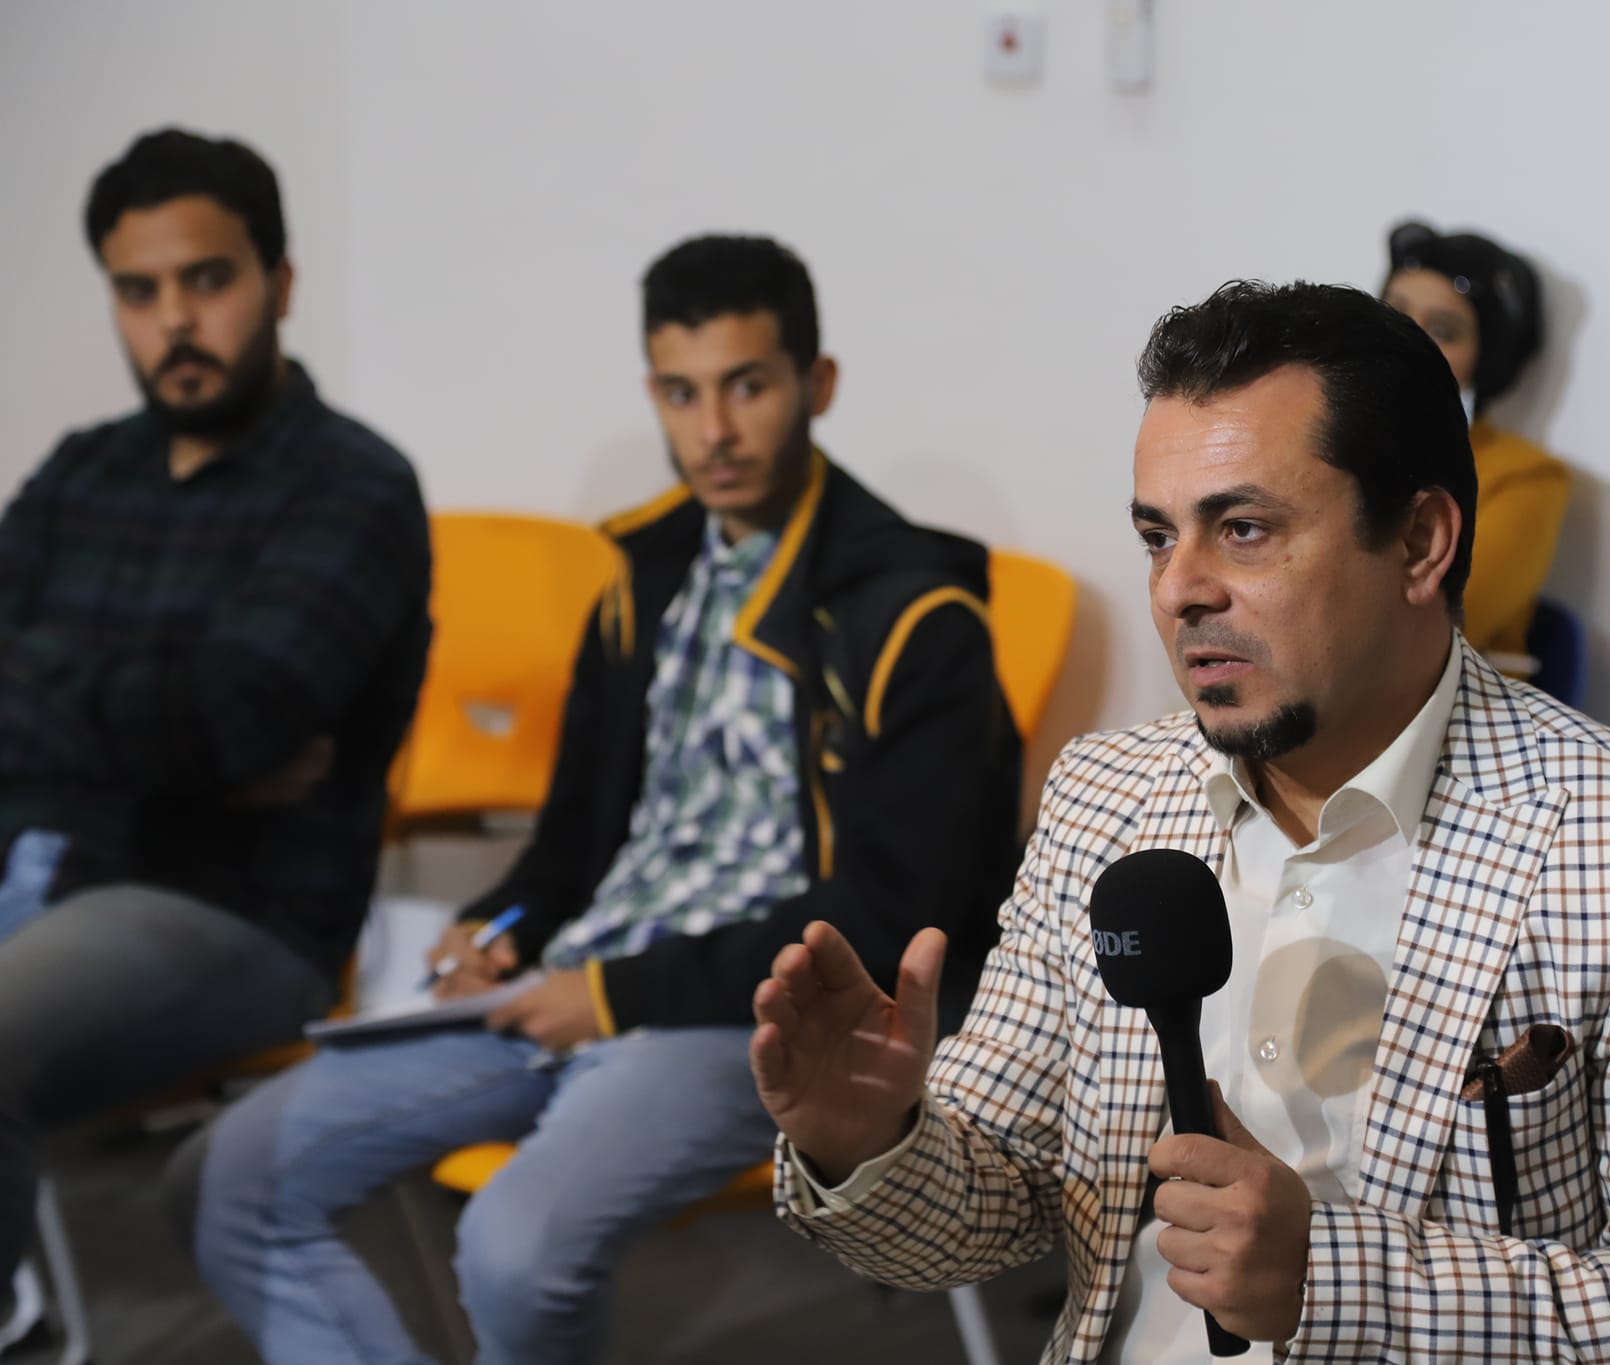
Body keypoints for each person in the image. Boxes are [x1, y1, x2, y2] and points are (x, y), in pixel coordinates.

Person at [753, 281, 1610, 1363]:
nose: (1179, 589)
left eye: (1244, 529)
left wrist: (1327, 1278)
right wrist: (874, 1142)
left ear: (1419, 542)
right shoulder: (1105, 796)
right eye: (1157, 536)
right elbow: (998, 1199)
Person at [180, 234, 1023, 1364]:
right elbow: (578, 839)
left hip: (756, 1013)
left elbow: (887, 918)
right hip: (576, 978)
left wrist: (614, 994)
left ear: (816, 385)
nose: (713, 431)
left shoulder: (915, 618)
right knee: (227, 1176)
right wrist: (499, 925)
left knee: (512, 1252)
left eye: (747, 387)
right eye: (680, 392)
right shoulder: (642, 584)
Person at [0, 128, 431, 1351]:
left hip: (231, 910)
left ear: (279, 283)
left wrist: (55, 691)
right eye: (138, 292)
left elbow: (237, 718)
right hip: (37, 859)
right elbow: (199, 732)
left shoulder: (353, 485)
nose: (175, 321)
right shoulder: (84, 472)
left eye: (208, 280)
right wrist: (156, 729)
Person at [1383, 221, 1571, 667]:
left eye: (1443, 331)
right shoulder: (1322, 436)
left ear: (1487, 359)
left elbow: (1439, 621)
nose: (1405, 340)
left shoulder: (1525, 477)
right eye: (1393, 314)